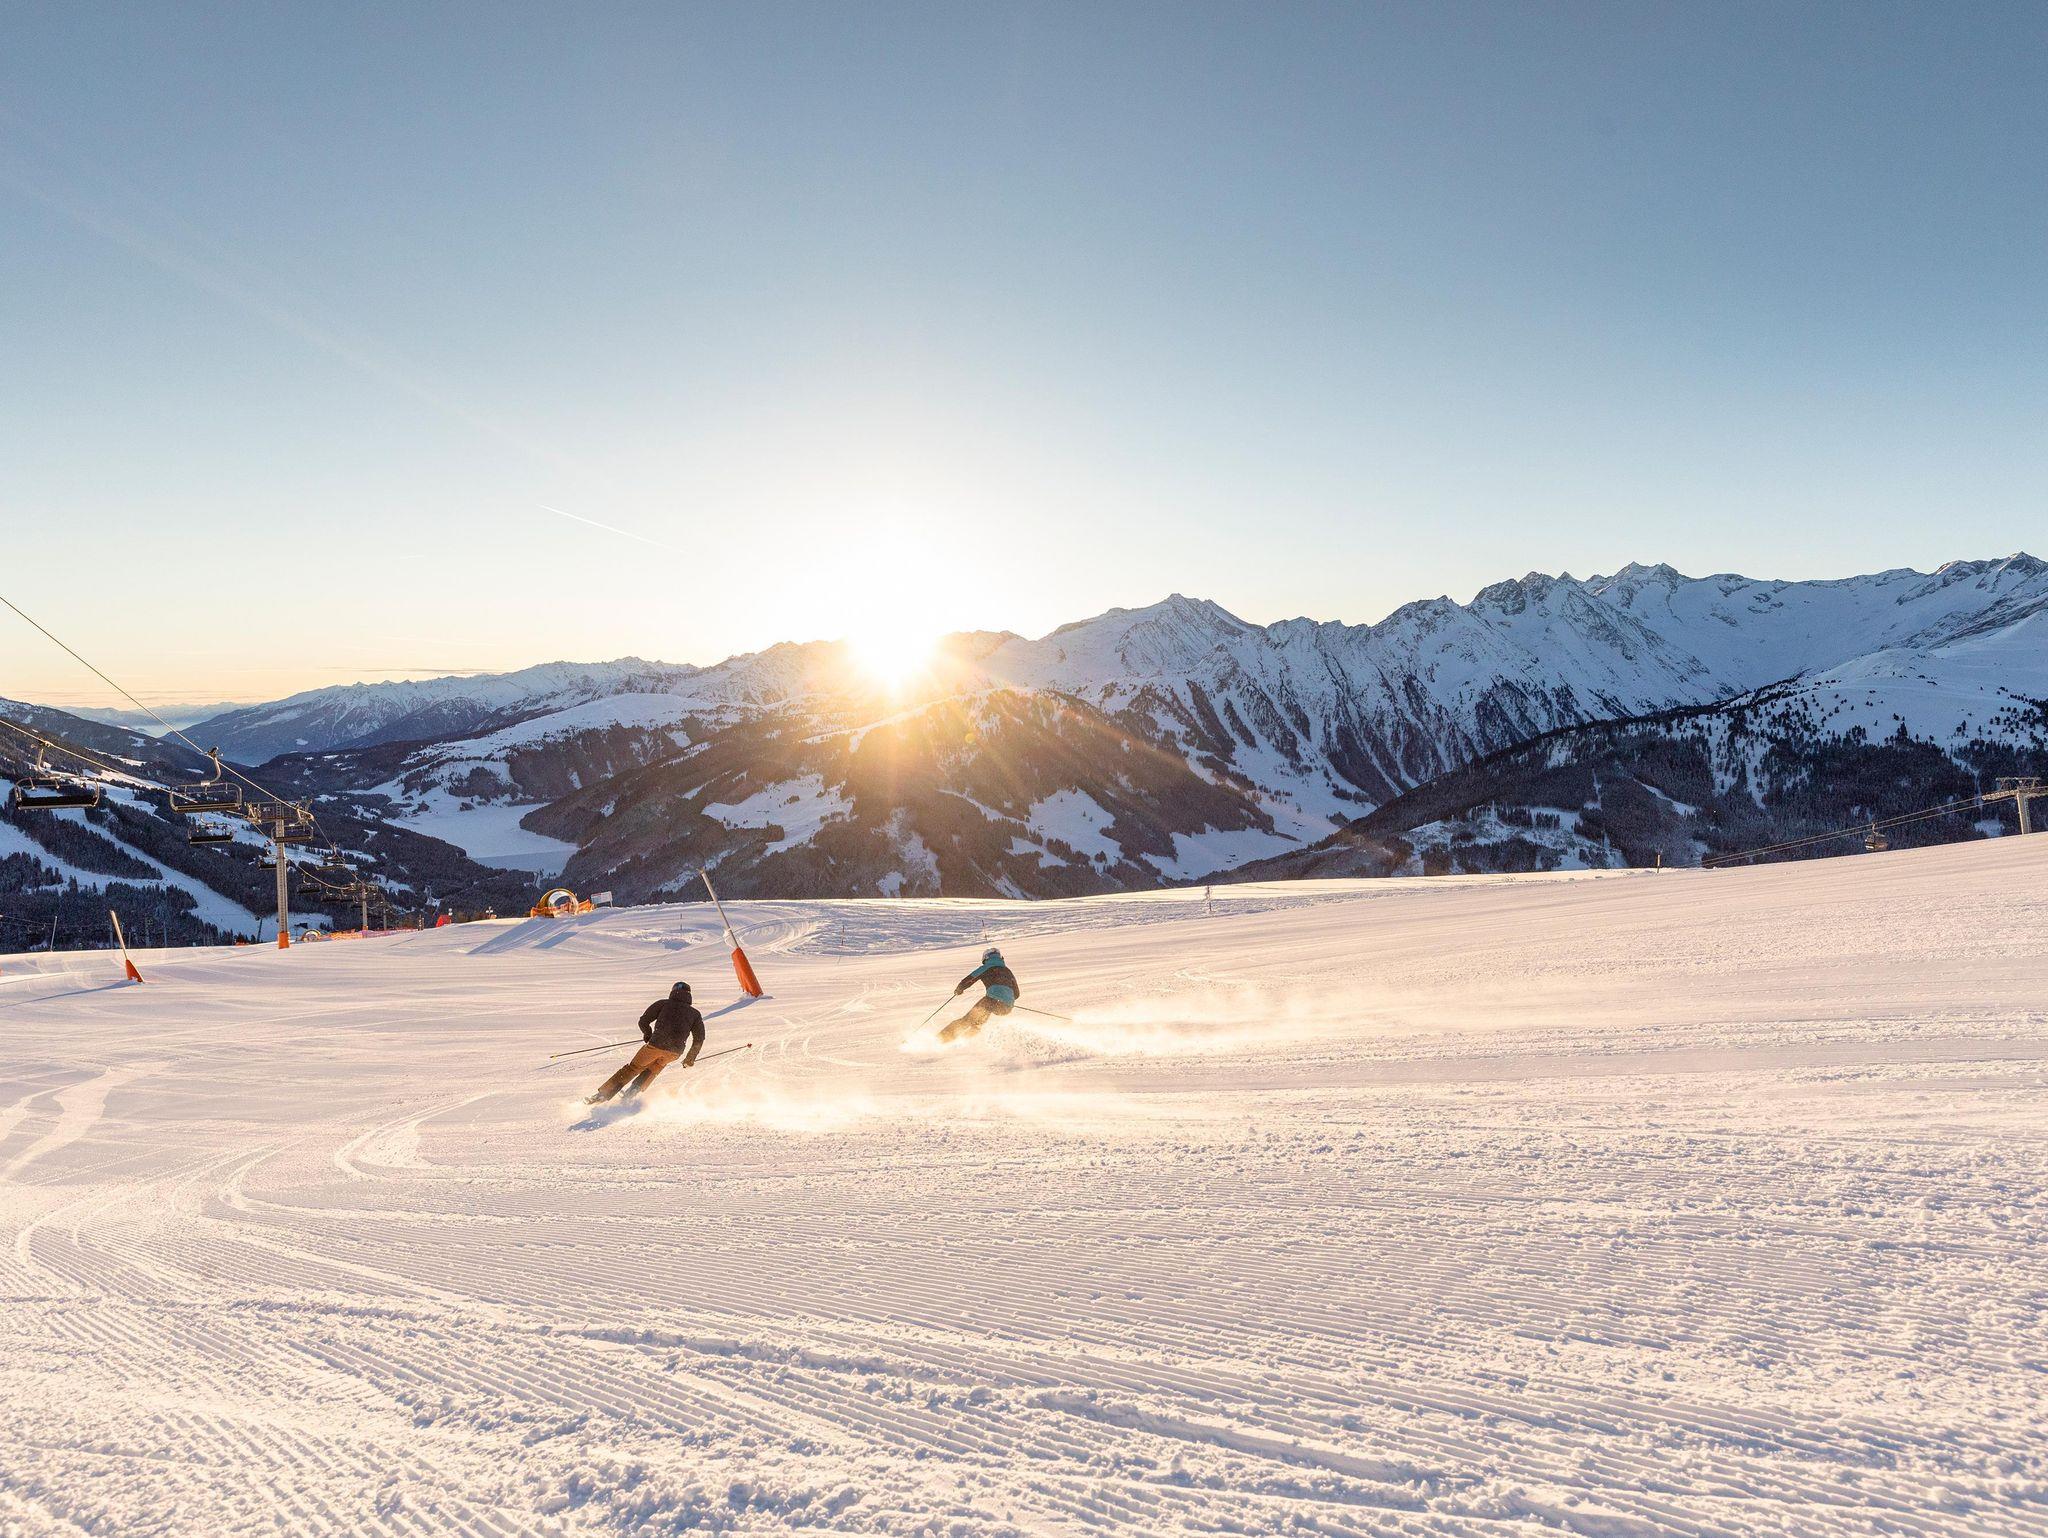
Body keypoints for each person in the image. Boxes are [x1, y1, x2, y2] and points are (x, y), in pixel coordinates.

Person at [586, 980, 705, 1103]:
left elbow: (643, 1021)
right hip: (674, 1052)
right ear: (689, 995)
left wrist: (648, 1035)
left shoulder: (663, 1004)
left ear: (673, 991)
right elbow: (699, 1038)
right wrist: (690, 1058)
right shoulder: (695, 1014)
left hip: (656, 1045)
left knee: (633, 1068)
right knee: (653, 1069)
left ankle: (603, 1094)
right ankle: (633, 1091)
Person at [939, 947, 1021, 1042]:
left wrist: (959, 989)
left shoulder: (987, 967)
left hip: (991, 1001)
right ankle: (965, 1041)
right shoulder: (1008, 971)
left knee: (966, 1020)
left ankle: (941, 1040)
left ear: (985, 958)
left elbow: (970, 979)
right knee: (977, 1025)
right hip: (1006, 1007)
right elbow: (1017, 994)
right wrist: (1006, 999)